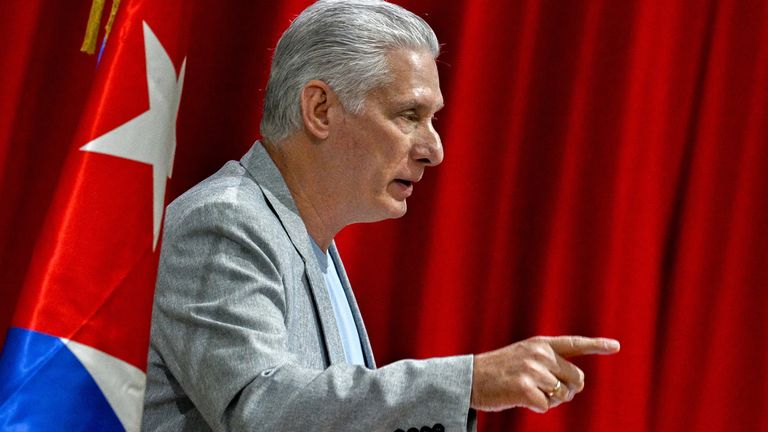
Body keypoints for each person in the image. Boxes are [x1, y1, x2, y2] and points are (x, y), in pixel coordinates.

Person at [141, 1, 621, 431]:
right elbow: (260, 408)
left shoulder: (309, 239)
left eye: (432, 119)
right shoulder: (225, 223)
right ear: (320, 109)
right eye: (409, 115)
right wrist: (468, 382)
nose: (434, 149)